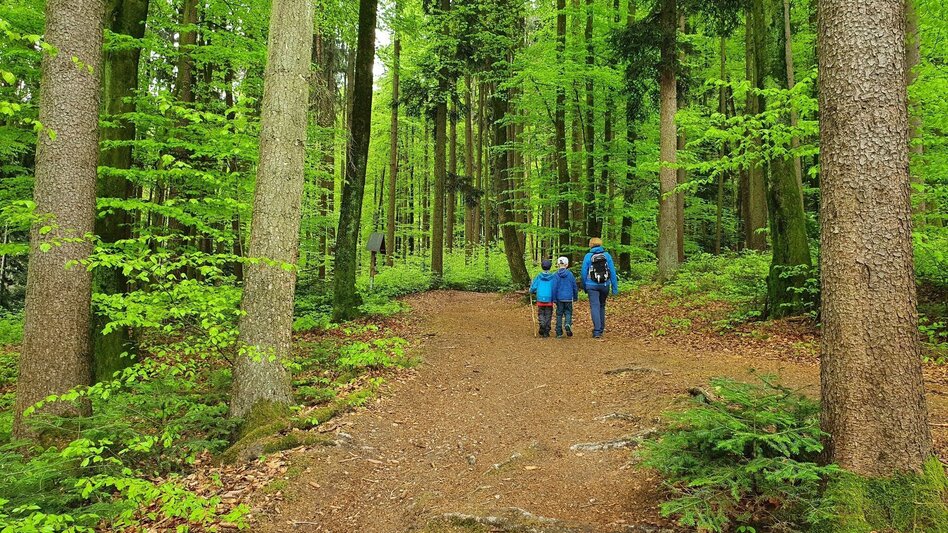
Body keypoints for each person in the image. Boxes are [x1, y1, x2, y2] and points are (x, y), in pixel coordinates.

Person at [581, 238, 618, 339]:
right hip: (605, 285)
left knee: (595, 307)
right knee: (602, 306)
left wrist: (585, 286)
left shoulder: (588, 256)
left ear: (591, 245)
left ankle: (597, 331)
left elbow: (583, 272)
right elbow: (612, 272)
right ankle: (601, 329)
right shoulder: (607, 255)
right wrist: (614, 287)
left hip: (591, 285)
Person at [553, 256, 578, 338]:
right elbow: (574, 286)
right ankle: (567, 323)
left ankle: (559, 332)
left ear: (558, 264)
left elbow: (554, 287)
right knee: (568, 312)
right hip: (568, 297)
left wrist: (554, 298)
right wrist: (575, 296)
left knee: (559, 314)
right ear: (567, 265)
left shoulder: (556, 275)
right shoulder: (570, 275)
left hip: (559, 298)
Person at [530, 259, 556, 338]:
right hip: (549, 298)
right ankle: (546, 330)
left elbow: (533, 287)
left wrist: (531, 290)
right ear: (550, 267)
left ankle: (542, 324)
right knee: (548, 314)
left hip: (540, 298)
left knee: (541, 313)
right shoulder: (553, 277)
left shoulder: (539, 276)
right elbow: (555, 286)